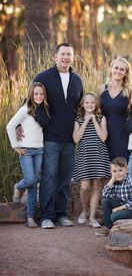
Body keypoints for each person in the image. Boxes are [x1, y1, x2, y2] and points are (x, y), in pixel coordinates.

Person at [18, 43, 84, 229]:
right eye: (62, 54)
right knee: (48, 177)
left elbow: (79, 107)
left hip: (70, 140)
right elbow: (28, 102)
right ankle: (46, 216)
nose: (65, 57)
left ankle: (61, 214)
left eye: (69, 55)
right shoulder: (43, 77)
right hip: (49, 138)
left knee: (65, 177)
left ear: (72, 58)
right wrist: (18, 126)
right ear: (55, 57)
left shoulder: (77, 80)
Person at [6, 82, 50, 228]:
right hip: (26, 150)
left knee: (32, 185)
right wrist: (15, 146)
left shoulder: (44, 110)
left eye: (41, 94)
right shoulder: (26, 109)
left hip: (39, 150)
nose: (39, 96)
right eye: (36, 94)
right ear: (31, 94)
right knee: (30, 180)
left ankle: (30, 217)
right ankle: (18, 187)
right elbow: (10, 125)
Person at [73, 92, 111, 228]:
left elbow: (104, 137)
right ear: (82, 105)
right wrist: (85, 122)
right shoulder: (78, 119)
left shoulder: (102, 118)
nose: (89, 105)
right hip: (85, 156)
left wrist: (94, 120)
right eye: (87, 102)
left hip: (99, 156)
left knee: (96, 186)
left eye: (92, 102)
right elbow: (76, 138)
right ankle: (84, 210)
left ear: (96, 104)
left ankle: (92, 217)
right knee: (85, 187)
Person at [95, 157, 132, 237]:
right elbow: (104, 195)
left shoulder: (131, 182)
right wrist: (112, 180)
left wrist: (119, 208)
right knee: (105, 201)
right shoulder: (115, 181)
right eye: (114, 171)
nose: (118, 173)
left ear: (126, 169)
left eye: (120, 170)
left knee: (113, 217)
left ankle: (115, 222)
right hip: (124, 204)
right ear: (111, 172)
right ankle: (108, 228)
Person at [100, 56, 132, 161]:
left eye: (122, 69)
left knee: (121, 168)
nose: (118, 71)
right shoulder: (102, 89)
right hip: (104, 134)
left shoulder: (130, 91)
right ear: (111, 69)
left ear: (126, 73)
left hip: (123, 136)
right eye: (116, 68)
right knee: (105, 171)